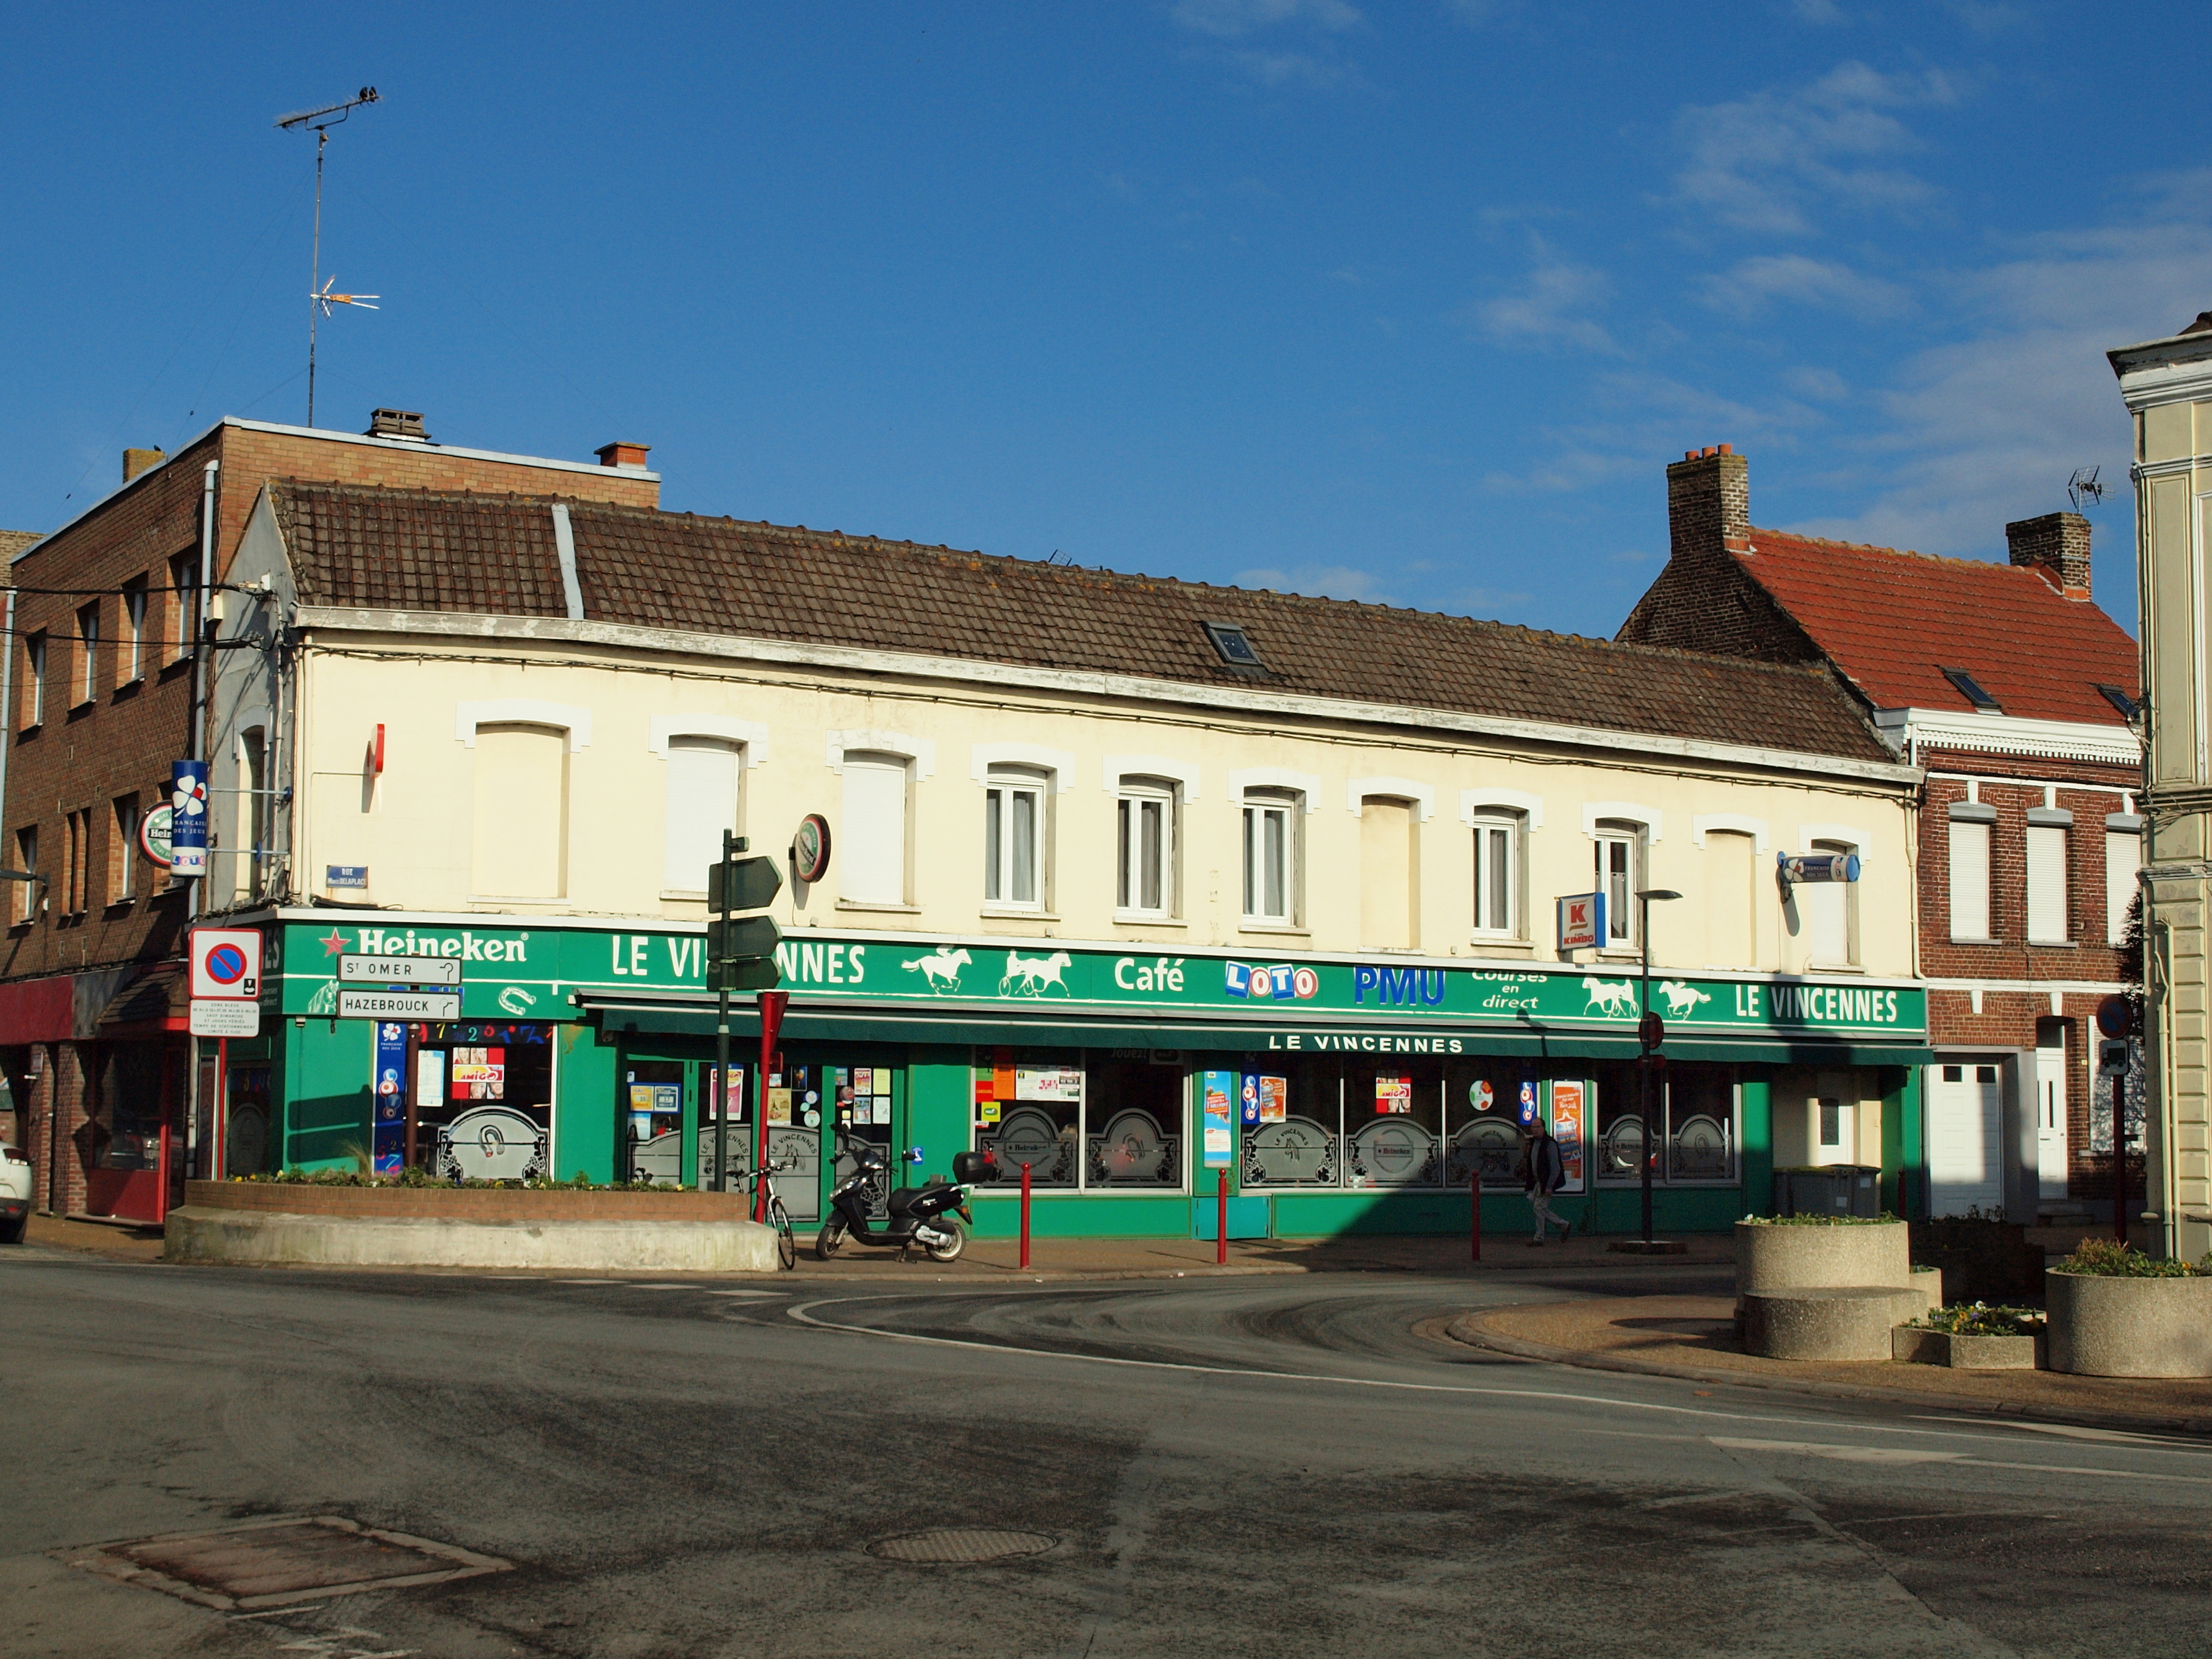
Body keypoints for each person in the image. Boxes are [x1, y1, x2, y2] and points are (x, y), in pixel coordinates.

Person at [1519, 1125, 1575, 1246]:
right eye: (1533, 1127)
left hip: (1545, 1182)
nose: (1535, 1129)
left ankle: (1539, 1237)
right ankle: (1563, 1225)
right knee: (1538, 1206)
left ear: (1544, 1128)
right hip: (1538, 1182)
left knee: (1538, 1208)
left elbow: (1556, 1167)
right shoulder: (1535, 1143)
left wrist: (1550, 1186)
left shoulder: (1549, 1144)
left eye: (1538, 1127)